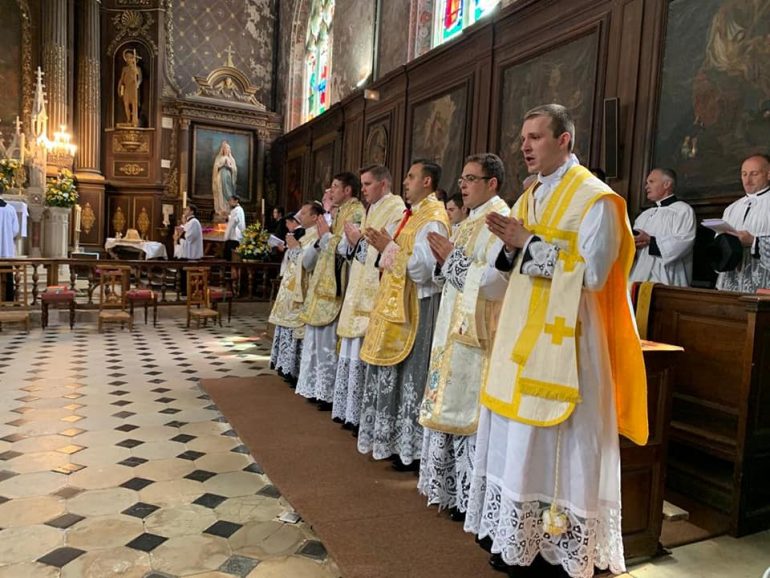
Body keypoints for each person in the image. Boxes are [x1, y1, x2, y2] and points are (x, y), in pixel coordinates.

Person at [466, 104, 648, 577]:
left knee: (560, 441)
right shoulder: (528, 199)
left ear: (564, 140)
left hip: (569, 344)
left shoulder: (597, 200)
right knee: (517, 438)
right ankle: (517, 537)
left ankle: (555, 544)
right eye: (523, 137)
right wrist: (508, 255)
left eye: (536, 137)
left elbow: (593, 275)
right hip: (520, 340)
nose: (524, 146)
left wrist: (526, 245)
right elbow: (502, 274)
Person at [418, 153, 510, 522]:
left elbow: (497, 282)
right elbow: (453, 274)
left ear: (492, 183)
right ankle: (450, 489)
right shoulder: (469, 221)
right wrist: (446, 263)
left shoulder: (498, 220)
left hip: (478, 333)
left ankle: (470, 497)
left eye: (471, 179)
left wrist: (453, 261)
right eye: (462, 179)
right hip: (452, 327)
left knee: (468, 408)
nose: (463, 185)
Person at [357, 159, 450, 470]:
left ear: (427, 182)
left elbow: (424, 270)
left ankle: (410, 449)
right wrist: (387, 249)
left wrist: (388, 247)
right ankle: (396, 443)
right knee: (397, 374)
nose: (406, 182)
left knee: (412, 375)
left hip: (419, 305)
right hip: (401, 301)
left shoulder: (433, 218)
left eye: (411, 176)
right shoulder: (415, 216)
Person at [331, 165, 405, 431]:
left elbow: (389, 251)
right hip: (358, 285)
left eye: (367, 184)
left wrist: (359, 243)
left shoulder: (396, 210)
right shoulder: (372, 209)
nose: (362, 190)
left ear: (383, 184)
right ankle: (349, 411)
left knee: (363, 350)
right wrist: (352, 242)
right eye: (361, 184)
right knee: (351, 349)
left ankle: (361, 415)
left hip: (374, 290)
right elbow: (360, 248)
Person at [296, 173, 365, 410]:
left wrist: (326, 235)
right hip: (325, 281)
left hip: (340, 283)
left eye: (335, 187)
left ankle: (326, 392)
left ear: (347, 190)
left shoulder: (356, 212)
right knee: (317, 338)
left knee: (328, 339)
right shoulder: (339, 212)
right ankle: (315, 387)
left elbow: (347, 249)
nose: (331, 191)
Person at [269, 202, 323, 385]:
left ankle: (294, 369)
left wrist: (294, 248)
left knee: (296, 328)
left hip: (304, 291)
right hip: (292, 288)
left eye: (305, 212)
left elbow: (309, 263)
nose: (300, 215)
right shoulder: (307, 233)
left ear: (315, 217)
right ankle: (285, 367)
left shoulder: (317, 235)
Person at [629, 168, 696, 286]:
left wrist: (651, 241)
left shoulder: (683, 211)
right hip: (639, 277)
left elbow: (684, 242)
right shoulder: (644, 215)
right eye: (646, 183)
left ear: (667, 184)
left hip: (668, 279)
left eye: (651, 182)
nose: (646, 187)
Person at [715, 154, 770, 293]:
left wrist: (754, 242)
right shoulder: (731, 208)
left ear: (768, 175)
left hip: (763, 288)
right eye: (744, 174)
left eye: (754, 174)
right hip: (731, 283)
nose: (747, 180)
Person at [174, 204, 203, 295]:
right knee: (183, 273)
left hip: (191, 253)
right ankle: (184, 290)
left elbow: (189, 236)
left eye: (187, 209)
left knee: (187, 274)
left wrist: (181, 233)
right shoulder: (189, 223)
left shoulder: (194, 222)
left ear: (192, 211)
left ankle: (187, 291)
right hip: (186, 252)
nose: (184, 211)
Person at [0, 194, 20, 301]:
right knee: (7, 276)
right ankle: (7, 299)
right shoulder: (10, 209)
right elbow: (15, 230)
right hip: (6, 251)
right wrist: (6, 237)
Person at [118, 48, 142, 127]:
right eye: (127, 57)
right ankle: (128, 119)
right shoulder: (124, 69)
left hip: (134, 89)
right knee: (126, 104)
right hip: (127, 89)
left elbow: (140, 78)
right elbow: (121, 80)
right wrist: (120, 89)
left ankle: (134, 120)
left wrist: (137, 85)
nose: (128, 59)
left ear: (133, 59)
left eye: (130, 57)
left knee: (134, 105)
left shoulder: (137, 68)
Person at [212, 141, 238, 214]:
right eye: (225, 148)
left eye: (227, 148)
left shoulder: (231, 159)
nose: (226, 150)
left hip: (228, 177)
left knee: (228, 192)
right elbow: (215, 168)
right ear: (222, 150)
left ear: (229, 150)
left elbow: (234, 169)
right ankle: (221, 208)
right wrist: (222, 165)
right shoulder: (219, 158)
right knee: (220, 191)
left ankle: (228, 208)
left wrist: (229, 166)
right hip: (220, 176)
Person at [223, 195, 246, 261]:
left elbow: (235, 221)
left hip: (234, 237)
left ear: (236, 201)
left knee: (231, 257)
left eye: (231, 200)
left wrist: (228, 218)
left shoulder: (238, 209)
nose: (229, 202)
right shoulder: (237, 209)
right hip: (233, 237)